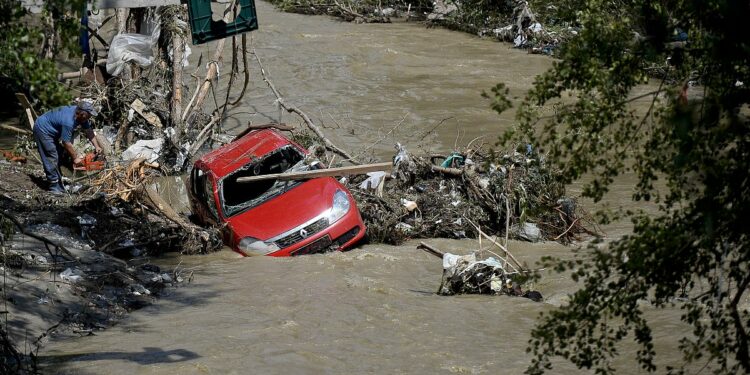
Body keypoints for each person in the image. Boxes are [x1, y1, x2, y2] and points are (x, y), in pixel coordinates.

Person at [33, 101, 102, 193]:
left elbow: (88, 131)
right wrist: (75, 158)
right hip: (43, 129)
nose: (89, 118)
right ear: (81, 113)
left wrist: (97, 146)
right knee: (52, 156)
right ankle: (54, 186)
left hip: (52, 129)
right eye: (88, 115)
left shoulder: (81, 116)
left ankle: (59, 181)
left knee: (59, 154)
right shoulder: (68, 122)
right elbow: (66, 142)